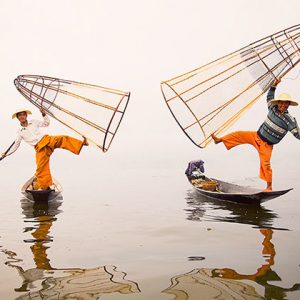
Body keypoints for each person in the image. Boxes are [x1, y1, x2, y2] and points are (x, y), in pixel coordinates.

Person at [211, 79, 300, 191]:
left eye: (285, 103)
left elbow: (298, 134)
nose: (283, 105)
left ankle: (269, 187)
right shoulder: (273, 108)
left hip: (266, 145)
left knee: (266, 164)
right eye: (281, 102)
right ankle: (219, 140)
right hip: (256, 136)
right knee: (238, 134)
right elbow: (269, 97)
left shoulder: (290, 120)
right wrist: (274, 86)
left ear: (288, 105)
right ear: (278, 102)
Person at [1, 108, 88, 190]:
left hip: (47, 140)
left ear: (26, 116)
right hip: (40, 148)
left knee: (63, 138)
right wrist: (6, 153)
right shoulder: (20, 132)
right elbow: (16, 145)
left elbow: (46, 123)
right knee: (40, 169)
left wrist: (43, 114)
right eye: (20, 115)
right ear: (18, 118)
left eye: (23, 115)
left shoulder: (34, 122)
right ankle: (44, 187)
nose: (22, 116)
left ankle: (82, 143)